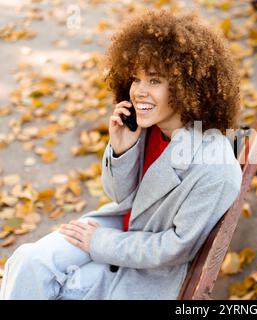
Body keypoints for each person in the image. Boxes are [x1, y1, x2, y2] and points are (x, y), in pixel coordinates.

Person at [0, 8, 242, 300]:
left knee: (53, 286)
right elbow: (118, 196)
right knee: (28, 260)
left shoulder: (213, 166)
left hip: (144, 272)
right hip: (119, 229)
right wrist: (121, 149)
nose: (139, 91)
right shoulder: (150, 127)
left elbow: (176, 248)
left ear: (187, 86)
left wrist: (100, 242)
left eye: (154, 80)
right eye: (136, 79)